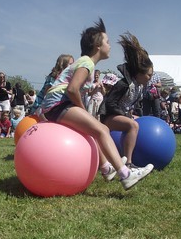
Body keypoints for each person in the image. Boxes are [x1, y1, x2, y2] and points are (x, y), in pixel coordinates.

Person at [40, 19, 153, 190]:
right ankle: (126, 174)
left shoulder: (87, 64)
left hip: (55, 104)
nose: (110, 45)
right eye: (107, 42)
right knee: (102, 130)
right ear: (97, 46)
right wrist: (82, 109)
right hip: (57, 103)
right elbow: (72, 89)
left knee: (93, 130)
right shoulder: (86, 62)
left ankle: (107, 167)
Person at [98, 32, 157, 168]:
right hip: (108, 118)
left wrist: (129, 115)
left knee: (134, 123)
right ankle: (129, 163)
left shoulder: (139, 87)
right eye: (149, 75)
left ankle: (126, 157)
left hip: (120, 116)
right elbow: (109, 103)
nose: (150, 78)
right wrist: (124, 115)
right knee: (132, 125)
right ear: (139, 73)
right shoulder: (124, 84)